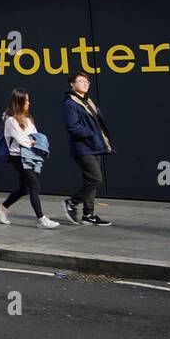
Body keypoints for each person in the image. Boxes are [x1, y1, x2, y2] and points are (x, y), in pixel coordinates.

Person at [0, 89, 58, 229]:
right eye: (26, 100)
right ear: (19, 102)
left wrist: (35, 141)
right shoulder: (10, 120)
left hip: (30, 156)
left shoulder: (27, 118)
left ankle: (2, 208)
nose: (28, 103)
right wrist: (32, 142)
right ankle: (41, 219)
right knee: (34, 186)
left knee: (24, 189)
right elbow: (22, 139)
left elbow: (35, 135)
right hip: (18, 157)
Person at [61, 71, 114, 226]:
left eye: (87, 81)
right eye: (81, 81)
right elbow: (72, 126)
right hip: (82, 147)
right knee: (95, 178)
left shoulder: (87, 101)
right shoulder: (70, 103)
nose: (85, 83)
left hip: (94, 146)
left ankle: (88, 214)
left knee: (91, 180)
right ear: (72, 84)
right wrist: (92, 134)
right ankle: (71, 202)